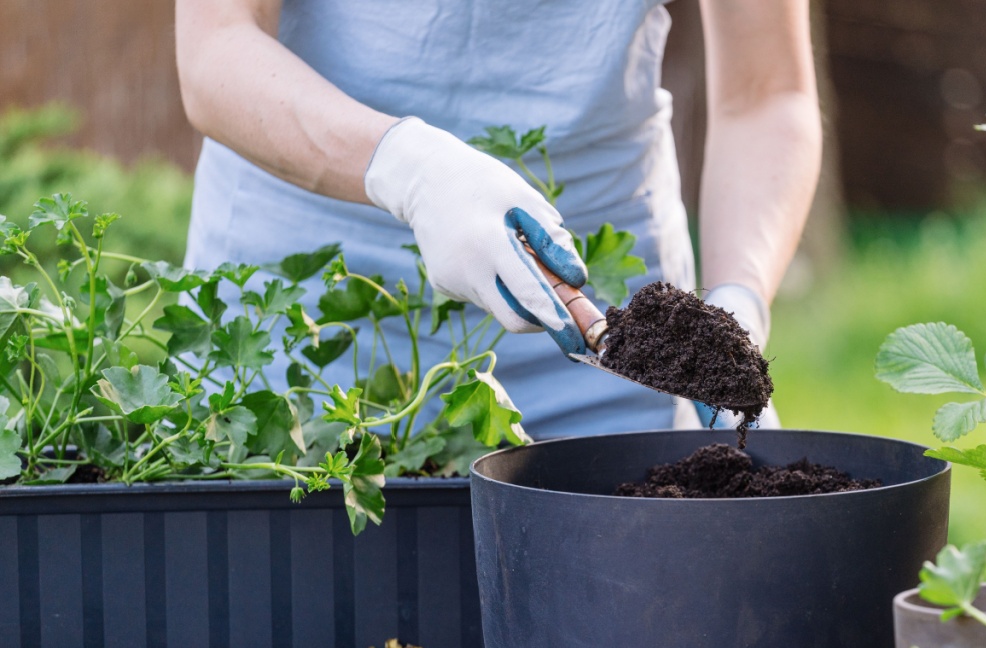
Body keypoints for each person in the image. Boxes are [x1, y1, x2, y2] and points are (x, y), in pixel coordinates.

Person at [175, 0, 820, 438]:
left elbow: (766, 92)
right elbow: (215, 48)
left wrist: (737, 306)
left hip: (606, 347)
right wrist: (409, 169)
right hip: (306, 335)